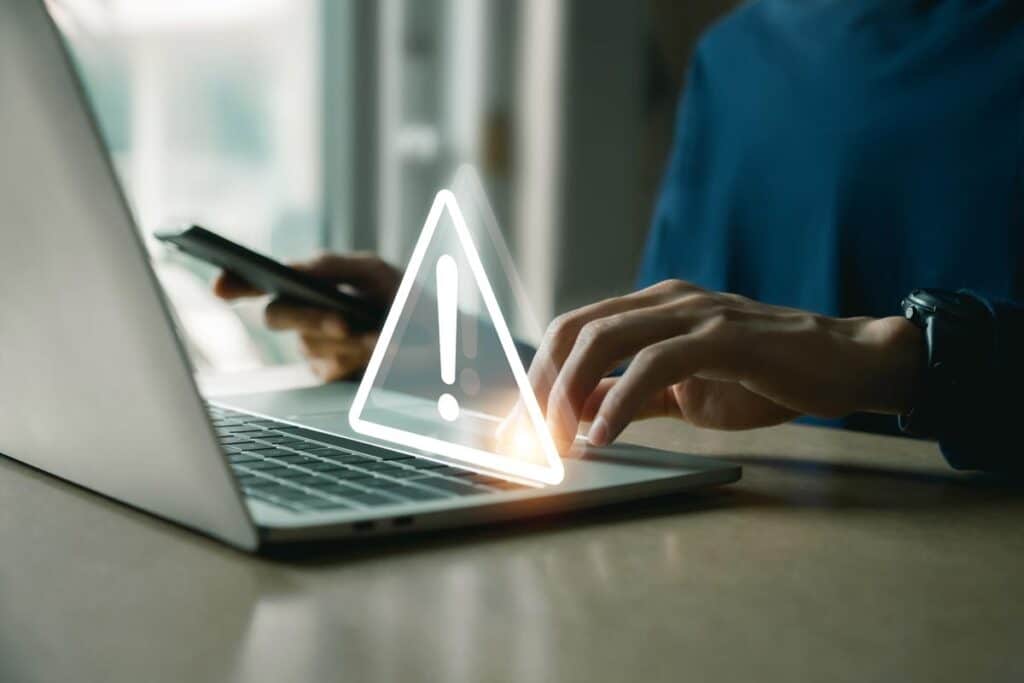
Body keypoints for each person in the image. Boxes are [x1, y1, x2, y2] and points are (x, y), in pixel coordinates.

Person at [216, 1, 1024, 472]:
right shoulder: (738, 59)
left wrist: (903, 358)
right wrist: (445, 347)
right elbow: (669, 378)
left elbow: (801, 350)